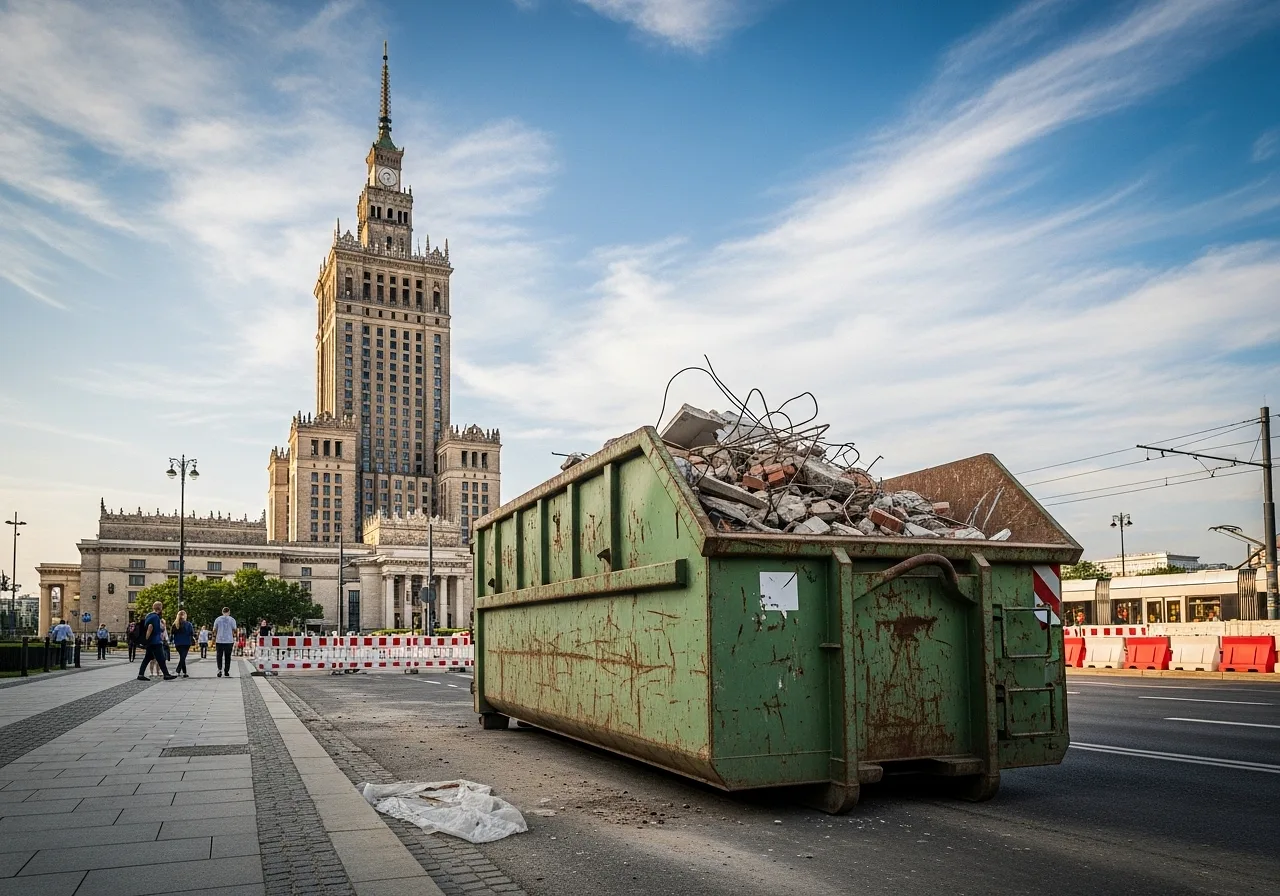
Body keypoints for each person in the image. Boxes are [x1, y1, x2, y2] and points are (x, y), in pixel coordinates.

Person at [137, 601, 176, 681]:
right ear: (160, 608)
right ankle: (166, 675)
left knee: (147, 658)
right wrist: (147, 639)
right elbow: (150, 627)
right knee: (161, 658)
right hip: (155, 642)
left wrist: (146, 641)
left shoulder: (148, 615)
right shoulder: (155, 617)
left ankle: (141, 674)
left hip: (151, 642)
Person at [213, 606, 237, 678]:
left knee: (219, 656)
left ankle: (219, 669)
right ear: (229, 612)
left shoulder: (217, 619)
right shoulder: (232, 620)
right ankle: (226, 671)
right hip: (229, 640)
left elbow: (214, 629)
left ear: (222, 612)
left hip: (219, 640)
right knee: (228, 656)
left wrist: (215, 636)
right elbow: (235, 629)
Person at [171, 610, 195, 678]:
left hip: (178, 643)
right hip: (186, 642)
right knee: (183, 657)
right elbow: (192, 633)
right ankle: (177, 671)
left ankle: (184, 672)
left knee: (182, 657)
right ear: (185, 616)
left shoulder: (175, 624)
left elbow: (172, 633)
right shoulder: (188, 624)